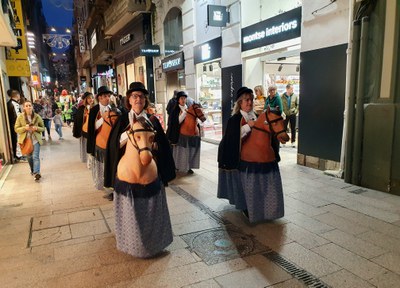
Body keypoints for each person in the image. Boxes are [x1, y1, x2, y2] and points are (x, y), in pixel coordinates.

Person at [104, 82, 175, 258]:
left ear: (145, 100)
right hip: (127, 173)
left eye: (141, 96)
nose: (138, 99)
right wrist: (128, 136)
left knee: (153, 211)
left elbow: (162, 145)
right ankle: (130, 241)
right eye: (134, 96)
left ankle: (156, 241)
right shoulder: (122, 120)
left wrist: (152, 144)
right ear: (129, 99)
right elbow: (113, 146)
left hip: (150, 172)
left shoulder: (152, 120)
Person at [217, 86, 284, 223]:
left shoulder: (257, 116)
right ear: (240, 103)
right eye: (246, 100)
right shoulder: (234, 119)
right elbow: (232, 138)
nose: (249, 102)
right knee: (248, 188)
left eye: (251, 99)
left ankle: (267, 208)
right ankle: (247, 207)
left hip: (261, 159)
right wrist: (248, 126)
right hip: (242, 159)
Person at [166, 91, 202, 174]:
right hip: (178, 134)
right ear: (178, 100)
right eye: (181, 98)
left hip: (190, 134)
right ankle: (177, 166)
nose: (183, 100)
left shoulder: (189, 107)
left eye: (184, 98)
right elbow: (176, 122)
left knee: (189, 150)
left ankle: (189, 166)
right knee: (180, 151)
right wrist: (185, 113)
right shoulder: (175, 110)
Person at [87, 86, 114, 192]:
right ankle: (102, 185)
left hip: (110, 143)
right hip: (98, 144)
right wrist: (90, 150)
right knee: (100, 165)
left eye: (108, 96)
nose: (107, 98)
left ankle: (110, 186)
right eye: (104, 96)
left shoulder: (113, 109)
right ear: (99, 98)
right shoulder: (94, 110)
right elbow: (91, 129)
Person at [14, 101, 45, 181]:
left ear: (32, 107)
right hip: (26, 141)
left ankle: (37, 173)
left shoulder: (37, 116)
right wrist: (25, 128)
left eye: (30, 105)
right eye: (26, 106)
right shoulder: (20, 117)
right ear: (24, 108)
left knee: (35, 157)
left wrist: (36, 128)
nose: (28, 107)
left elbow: (43, 128)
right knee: (29, 157)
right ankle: (32, 170)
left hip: (35, 140)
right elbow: (16, 129)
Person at [73, 92, 94, 163]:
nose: (91, 99)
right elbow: (78, 120)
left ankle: (90, 158)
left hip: (92, 130)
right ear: (85, 99)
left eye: (92, 98)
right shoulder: (82, 108)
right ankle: (86, 158)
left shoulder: (94, 107)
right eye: (89, 98)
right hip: (84, 130)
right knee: (85, 145)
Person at [264, 85, 283, 161]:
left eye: (274, 90)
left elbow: (280, 110)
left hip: (275, 122)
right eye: (271, 90)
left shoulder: (278, 98)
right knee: (269, 139)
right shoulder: (268, 98)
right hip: (268, 122)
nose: (272, 91)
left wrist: (270, 109)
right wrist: (270, 109)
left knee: (275, 140)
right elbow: (265, 108)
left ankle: (276, 157)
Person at [6, 90, 21, 161]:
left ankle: (17, 155)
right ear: (17, 95)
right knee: (17, 140)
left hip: (13, 125)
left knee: (16, 140)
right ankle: (18, 156)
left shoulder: (9, 103)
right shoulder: (14, 104)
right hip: (15, 126)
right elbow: (17, 116)